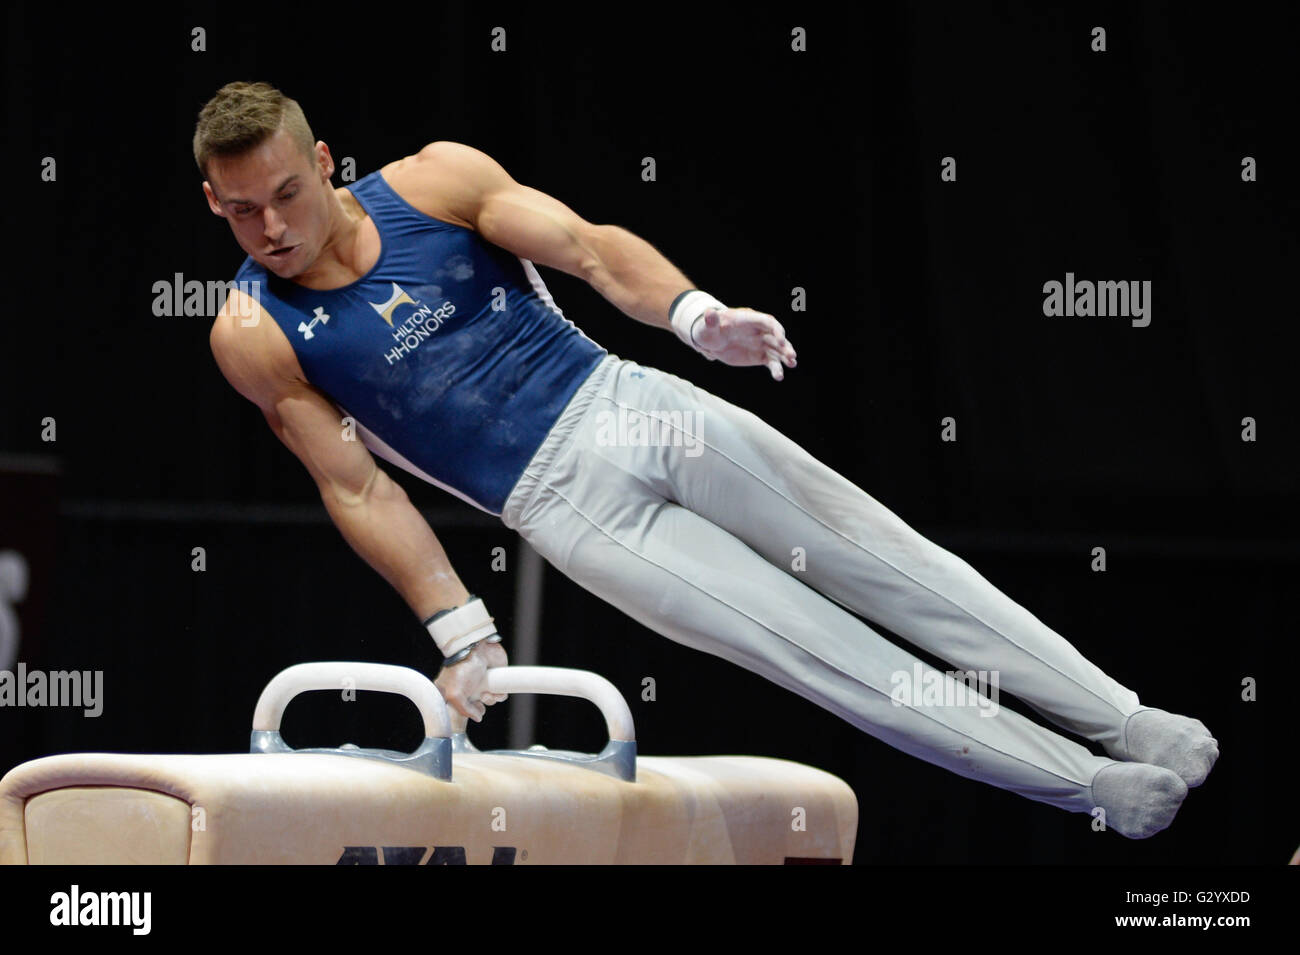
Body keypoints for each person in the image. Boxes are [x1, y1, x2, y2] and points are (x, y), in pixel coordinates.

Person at [197, 81, 1216, 839]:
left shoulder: (437, 181)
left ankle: (1124, 719)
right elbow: (356, 482)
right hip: (565, 509)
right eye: (244, 210)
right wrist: (460, 628)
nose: (274, 226)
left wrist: (692, 315)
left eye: (286, 193)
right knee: (818, 651)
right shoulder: (253, 331)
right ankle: (1088, 788)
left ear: (324, 158)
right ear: (213, 202)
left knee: (890, 561)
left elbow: (591, 250)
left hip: (633, 403)